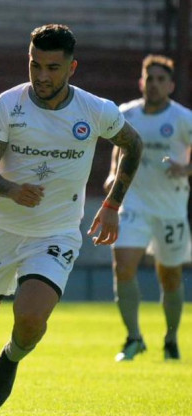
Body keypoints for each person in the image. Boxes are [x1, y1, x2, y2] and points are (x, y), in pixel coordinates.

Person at [0, 24, 143, 416]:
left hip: (54, 233)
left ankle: (11, 358)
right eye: (34, 65)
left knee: (30, 317)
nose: (42, 76)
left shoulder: (95, 111)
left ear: (72, 68)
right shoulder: (8, 105)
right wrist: (9, 189)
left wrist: (111, 205)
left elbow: (133, 144)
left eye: (52, 68)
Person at [105, 54, 191, 362]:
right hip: (134, 205)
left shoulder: (183, 118)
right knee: (123, 266)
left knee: (169, 278)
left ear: (170, 85)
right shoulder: (126, 114)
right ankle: (134, 337)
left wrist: (187, 168)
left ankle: (170, 339)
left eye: (160, 79)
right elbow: (121, 149)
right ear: (141, 82)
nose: (153, 85)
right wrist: (114, 174)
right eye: (149, 78)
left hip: (170, 209)